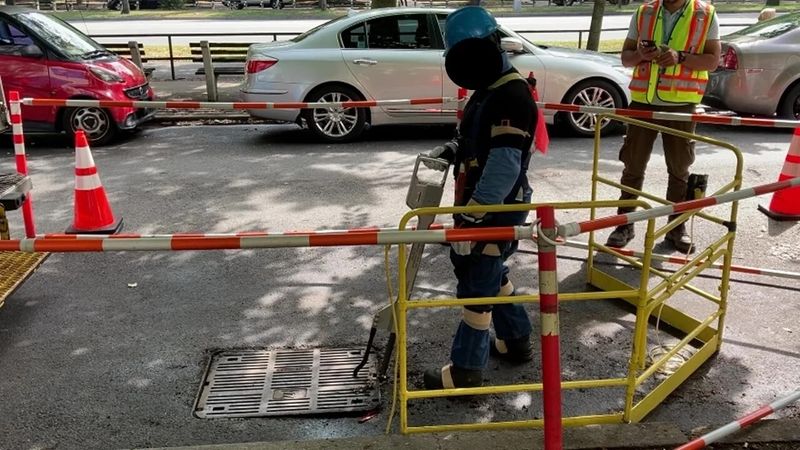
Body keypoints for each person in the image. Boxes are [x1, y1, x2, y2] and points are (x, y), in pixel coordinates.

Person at [421, 6, 537, 390]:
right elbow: (480, 139)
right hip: (490, 205)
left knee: (477, 282)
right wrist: (453, 149)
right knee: (491, 272)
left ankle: (466, 371)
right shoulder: (492, 88)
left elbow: (504, 165)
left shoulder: (511, 95)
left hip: (494, 208)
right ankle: (516, 341)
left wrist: (474, 215)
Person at [605, 0, 721, 254]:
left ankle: (676, 227)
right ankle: (624, 223)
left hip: (681, 105)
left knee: (679, 169)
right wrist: (640, 55)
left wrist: (681, 57)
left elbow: (713, 61)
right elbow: (626, 58)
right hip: (643, 103)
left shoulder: (705, 14)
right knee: (633, 166)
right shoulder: (645, 11)